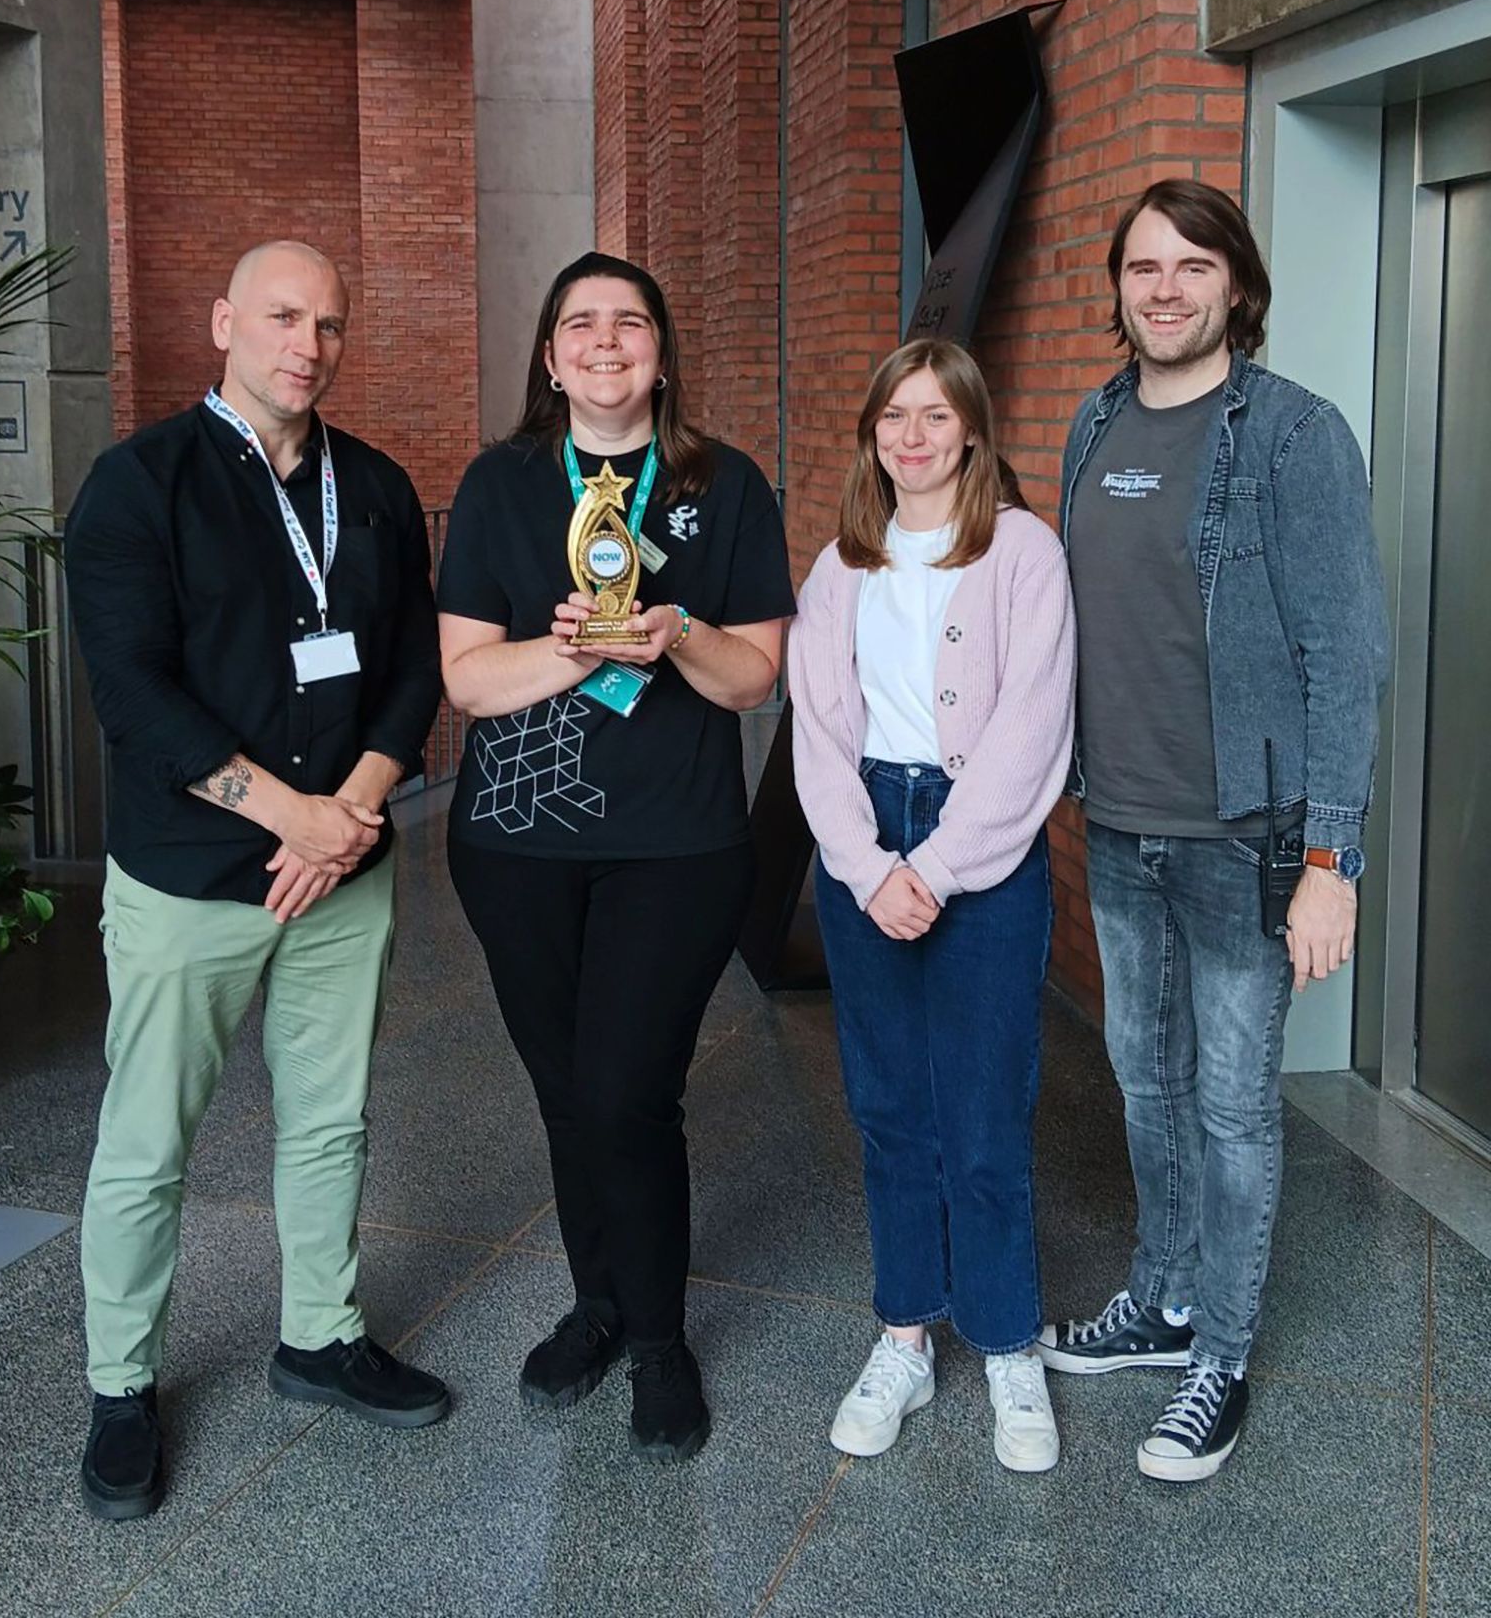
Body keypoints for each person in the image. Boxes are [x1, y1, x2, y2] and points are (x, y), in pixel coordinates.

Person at [65, 241, 448, 1522]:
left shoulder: (379, 487)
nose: (309, 345)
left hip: (343, 867)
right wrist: (292, 812)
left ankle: (319, 1335)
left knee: (331, 1119)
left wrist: (350, 813)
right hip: (191, 873)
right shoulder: (137, 485)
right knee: (147, 1141)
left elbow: (408, 670)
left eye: (331, 324)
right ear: (224, 319)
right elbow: (132, 692)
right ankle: (122, 1386)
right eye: (284, 316)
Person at [1036, 179, 1389, 1481]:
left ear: (1237, 285)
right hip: (1122, 826)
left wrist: (1329, 864)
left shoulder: (1293, 434)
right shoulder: (1097, 420)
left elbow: (1344, 657)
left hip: (1248, 837)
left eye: (1193, 267)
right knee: (1145, 1081)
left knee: (1236, 1106)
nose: (1166, 290)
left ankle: (1220, 1355)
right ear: (1117, 287)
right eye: (1143, 268)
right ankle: (1165, 1295)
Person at [437, 252, 793, 1463]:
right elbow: (467, 680)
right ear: (549, 356)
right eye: (579, 324)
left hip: (677, 844)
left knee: (626, 1092)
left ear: (659, 350)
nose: (603, 341)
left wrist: (675, 627)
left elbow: (755, 675)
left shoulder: (724, 483)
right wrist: (584, 648)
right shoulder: (498, 486)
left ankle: (657, 1339)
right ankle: (594, 1304)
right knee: (563, 1089)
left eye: (628, 322)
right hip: (517, 845)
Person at [789, 338, 1075, 1474]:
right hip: (866, 834)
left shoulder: (1022, 551)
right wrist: (867, 868)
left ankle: (1007, 1339)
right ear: (872, 436)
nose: (912, 434)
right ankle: (903, 1332)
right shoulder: (838, 566)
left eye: (934, 415)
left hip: (981, 848)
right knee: (890, 1108)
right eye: (892, 416)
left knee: (985, 1114)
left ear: (970, 429)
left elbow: (1030, 730)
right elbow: (815, 735)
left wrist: (939, 867)